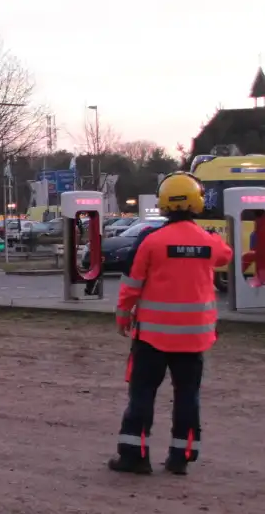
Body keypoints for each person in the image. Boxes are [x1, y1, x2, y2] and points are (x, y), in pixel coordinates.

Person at [109, 172, 232, 475]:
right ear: (197, 202)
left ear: (163, 203)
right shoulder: (209, 243)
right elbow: (225, 256)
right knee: (187, 396)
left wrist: (123, 316)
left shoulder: (150, 241)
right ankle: (181, 457)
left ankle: (134, 457)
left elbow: (131, 285)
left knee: (142, 395)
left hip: (152, 337)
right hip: (194, 339)